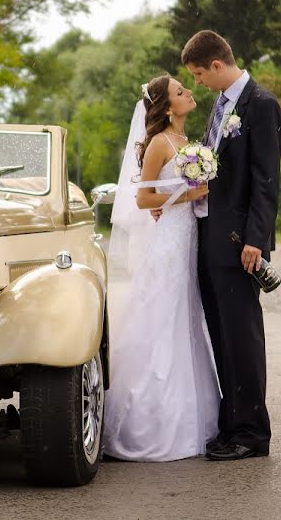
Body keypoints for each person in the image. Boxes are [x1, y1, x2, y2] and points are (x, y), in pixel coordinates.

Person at [103, 74, 220, 461]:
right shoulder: (158, 143)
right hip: (167, 241)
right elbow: (142, 199)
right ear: (168, 107)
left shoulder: (189, 143)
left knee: (187, 317)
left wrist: (190, 194)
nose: (189, 93)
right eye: (180, 92)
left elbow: (167, 196)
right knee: (162, 316)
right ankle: (149, 421)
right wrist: (187, 193)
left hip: (188, 238)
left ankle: (193, 416)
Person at [178, 30, 281, 461]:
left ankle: (253, 433)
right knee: (222, 338)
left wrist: (256, 241)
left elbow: (265, 180)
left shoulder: (260, 105)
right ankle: (231, 425)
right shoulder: (221, 106)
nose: (198, 82)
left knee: (243, 339)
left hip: (241, 244)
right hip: (211, 241)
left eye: (199, 74)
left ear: (217, 66)